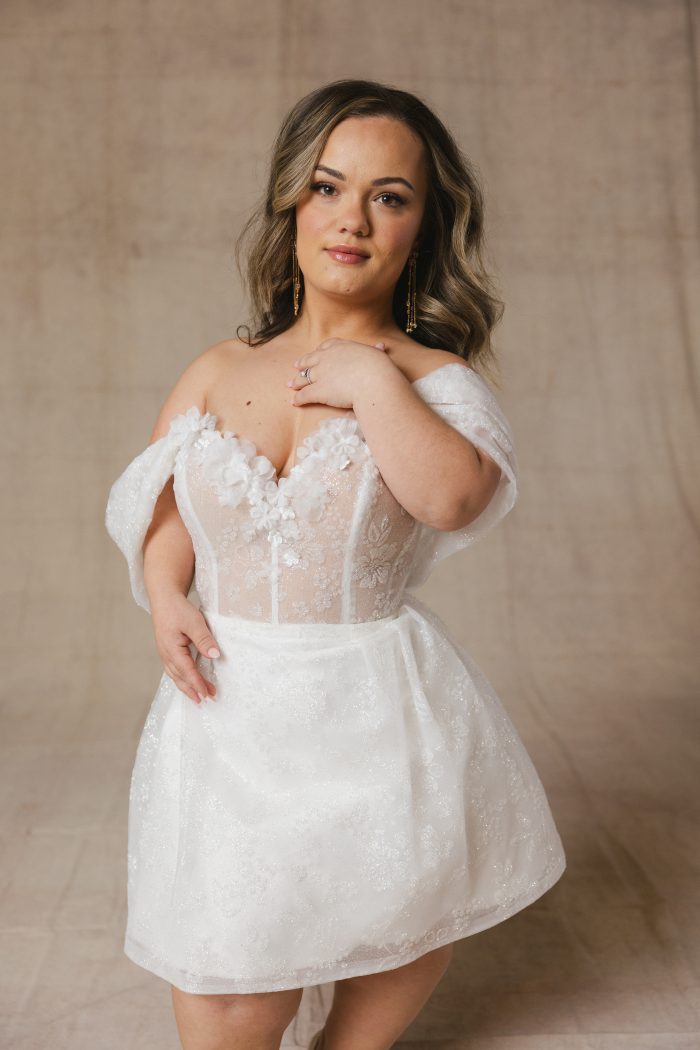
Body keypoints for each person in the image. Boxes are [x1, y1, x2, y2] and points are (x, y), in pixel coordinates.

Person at [105, 78, 566, 1050]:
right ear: (293, 203)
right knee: (230, 989)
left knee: (390, 930)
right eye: (328, 186)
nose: (351, 218)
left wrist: (371, 381)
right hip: (228, 713)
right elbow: (167, 513)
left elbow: (451, 496)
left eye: (388, 196)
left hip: (369, 714)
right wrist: (160, 593)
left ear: (422, 226)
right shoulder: (218, 370)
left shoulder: (437, 383)